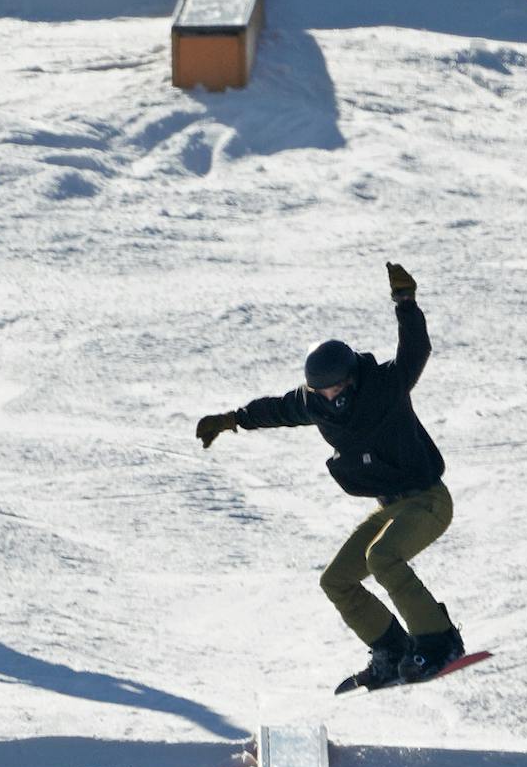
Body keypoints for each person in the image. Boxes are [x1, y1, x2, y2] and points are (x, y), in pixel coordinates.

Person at [195, 262, 464, 687]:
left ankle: (438, 642)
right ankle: (391, 650)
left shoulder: (384, 385)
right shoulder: (314, 402)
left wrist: (406, 303)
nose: (328, 397)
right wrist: (233, 419)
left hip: (428, 499)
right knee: (336, 580)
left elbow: (416, 349)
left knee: (382, 557)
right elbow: (279, 410)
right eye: (321, 391)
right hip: (391, 508)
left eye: (334, 389)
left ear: (351, 380)